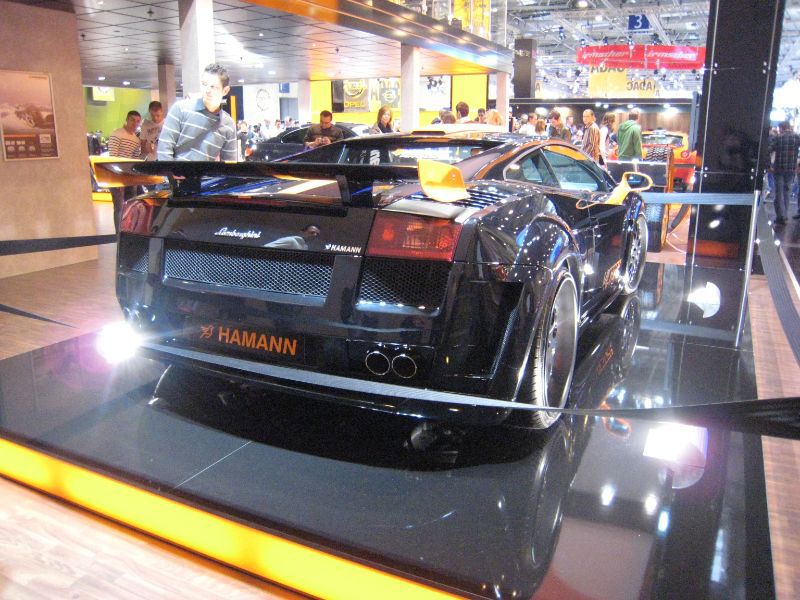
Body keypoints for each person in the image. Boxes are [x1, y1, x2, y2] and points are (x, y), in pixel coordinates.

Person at [158, 63, 237, 161]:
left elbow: (230, 163)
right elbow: (164, 148)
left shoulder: (228, 124)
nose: (207, 90)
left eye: (213, 87)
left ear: (225, 90)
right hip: (176, 170)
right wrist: (170, 170)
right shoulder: (181, 109)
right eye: (204, 84)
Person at [107, 110, 142, 232]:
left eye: (137, 121)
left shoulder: (136, 140)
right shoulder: (117, 134)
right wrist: (117, 176)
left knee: (131, 205)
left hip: (129, 176)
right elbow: (113, 157)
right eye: (132, 120)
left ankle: (129, 232)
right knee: (119, 207)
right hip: (117, 175)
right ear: (127, 119)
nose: (135, 123)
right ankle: (119, 235)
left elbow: (135, 159)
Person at [768, 121, 800, 224]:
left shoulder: (778, 138)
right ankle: (785, 214)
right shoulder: (796, 137)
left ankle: (781, 216)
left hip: (779, 169)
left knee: (779, 193)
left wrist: (769, 164)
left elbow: (769, 150)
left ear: (781, 128)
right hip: (791, 169)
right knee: (787, 192)